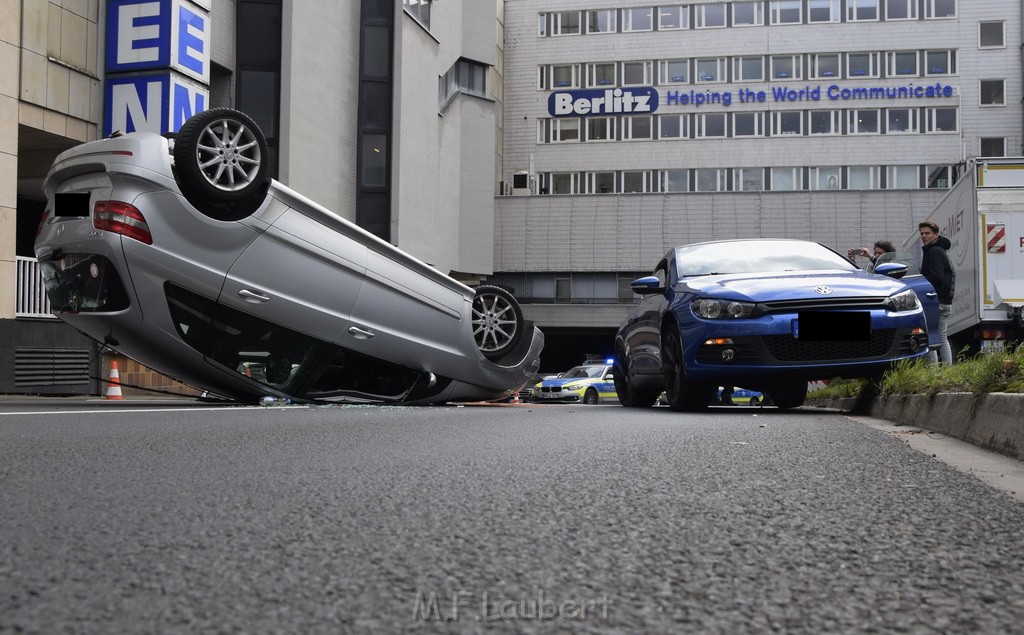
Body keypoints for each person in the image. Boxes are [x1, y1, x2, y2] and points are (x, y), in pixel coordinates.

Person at [918, 221, 955, 365]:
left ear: (936, 235)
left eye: (927, 233)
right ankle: (947, 370)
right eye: (922, 233)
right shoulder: (939, 250)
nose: (924, 236)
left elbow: (936, 276)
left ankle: (934, 370)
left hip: (936, 301)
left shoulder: (934, 251)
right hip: (944, 301)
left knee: (931, 337)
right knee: (941, 336)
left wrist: (921, 282)